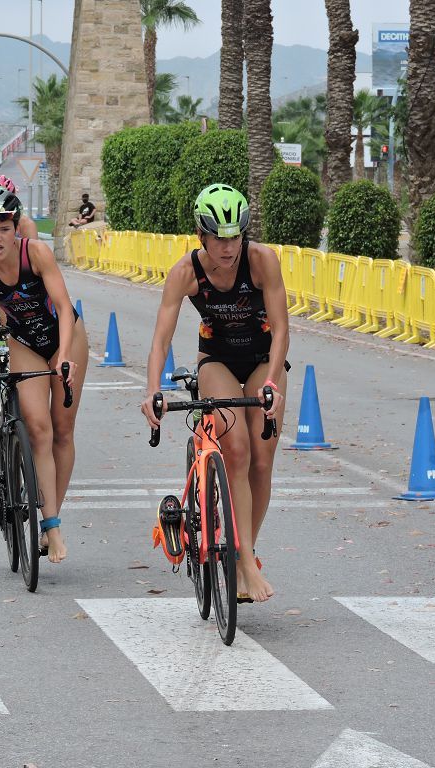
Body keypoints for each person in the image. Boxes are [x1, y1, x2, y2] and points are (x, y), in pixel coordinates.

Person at [140, 184, 288, 603]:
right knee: (236, 450)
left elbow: (282, 331)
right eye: (219, 238)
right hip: (217, 360)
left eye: (235, 236)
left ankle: (247, 552)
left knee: (262, 458)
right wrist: (152, 390)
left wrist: (274, 382)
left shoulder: (261, 262)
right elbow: (160, 340)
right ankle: (242, 564)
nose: (229, 247)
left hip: (263, 358)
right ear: (201, 235)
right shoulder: (185, 273)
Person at [0, 188, 88, 564]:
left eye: (4, 228)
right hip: (25, 341)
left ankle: (50, 517)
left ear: (16, 228)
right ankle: (53, 528)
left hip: (66, 337)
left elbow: (62, 305)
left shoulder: (36, 253)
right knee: (38, 428)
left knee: (62, 429)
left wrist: (63, 356)